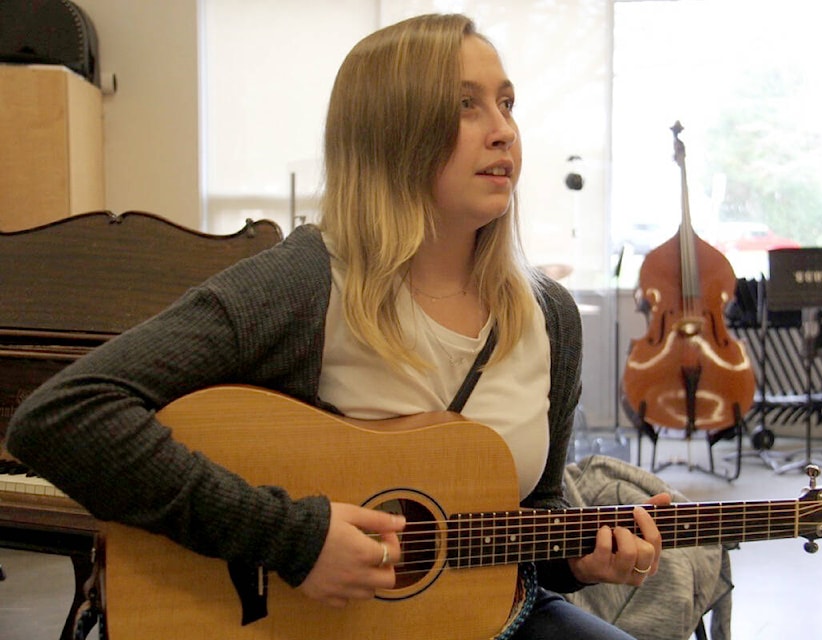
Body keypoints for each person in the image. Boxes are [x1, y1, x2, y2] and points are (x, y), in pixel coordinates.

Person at [6, 13, 668, 639]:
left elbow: (529, 517)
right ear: (390, 130)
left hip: (492, 620)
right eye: (466, 104)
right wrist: (293, 538)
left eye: (507, 103)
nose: (503, 131)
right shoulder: (304, 284)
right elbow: (61, 416)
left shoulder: (548, 316)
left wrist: (579, 559)